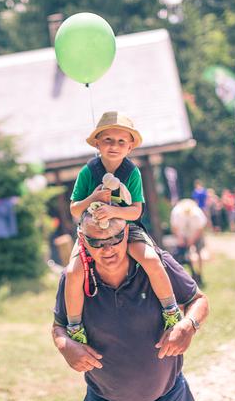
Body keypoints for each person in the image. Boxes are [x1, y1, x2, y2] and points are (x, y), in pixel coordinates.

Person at [52, 212, 209, 401]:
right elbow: (59, 326)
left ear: (126, 232)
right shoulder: (73, 279)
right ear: (83, 240)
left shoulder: (156, 262)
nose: (107, 249)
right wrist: (65, 346)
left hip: (168, 398)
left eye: (115, 239)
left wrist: (189, 325)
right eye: (97, 242)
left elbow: (198, 300)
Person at [65, 111, 182, 345]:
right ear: (97, 143)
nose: (114, 146)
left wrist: (114, 211)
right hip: (92, 230)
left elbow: (136, 211)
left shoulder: (132, 173)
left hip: (126, 228)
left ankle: (170, 310)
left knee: (150, 260)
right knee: (73, 272)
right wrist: (93, 198)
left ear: (130, 147)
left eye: (121, 141)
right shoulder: (88, 171)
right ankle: (75, 325)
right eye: (108, 140)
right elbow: (75, 210)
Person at [170, 199, 207, 283]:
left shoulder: (197, 213)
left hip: (195, 234)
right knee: (185, 255)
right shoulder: (176, 212)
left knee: (199, 253)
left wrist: (192, 240)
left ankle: (199, 273)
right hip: (183, 235)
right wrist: (180, 238)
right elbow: (174, 227)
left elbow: (200, 228)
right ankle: (188, 275)